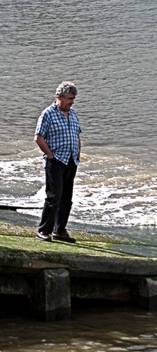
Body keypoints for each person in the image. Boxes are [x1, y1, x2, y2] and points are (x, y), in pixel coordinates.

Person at [34, 81, 82, 243]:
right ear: (59, 97)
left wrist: (78, 154)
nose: (72, 102)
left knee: (67, 198)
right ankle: (43, 230)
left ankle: (59, 230)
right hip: (55, 160)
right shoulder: (48, 114)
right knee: (54, 197)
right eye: (69, 98)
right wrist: (50, 155)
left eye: (73, 99)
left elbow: (77, 135)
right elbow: (38, 137)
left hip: (71, 160)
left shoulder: (73, 113)